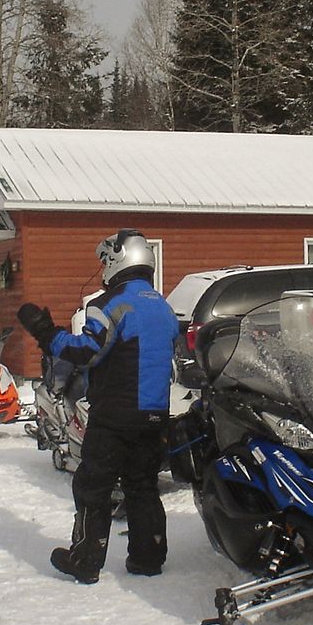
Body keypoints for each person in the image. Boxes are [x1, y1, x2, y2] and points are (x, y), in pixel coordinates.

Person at [18, 229, 181, 584]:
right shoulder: (163, 307)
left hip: (115, 414)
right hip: (155, 414)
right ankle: (148, 557)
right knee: (142, 485)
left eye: (104, 261)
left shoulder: (112, 303)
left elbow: (85, 352)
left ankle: (87, 559)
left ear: (117, 260)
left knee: (93, 485)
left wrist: (45, 332)